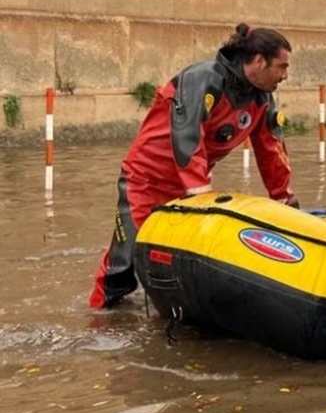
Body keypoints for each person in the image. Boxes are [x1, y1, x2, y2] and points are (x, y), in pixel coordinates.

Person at [89, 24, 296, 309]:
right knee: (122, 265)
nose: (285, 75)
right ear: (259, 61)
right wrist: (200, 195)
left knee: (177, 262)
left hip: (186, 189)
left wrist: (285, 200)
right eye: (282, 67)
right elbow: (187, 137)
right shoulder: (203, 79)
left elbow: (271, 150)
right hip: (146, 181)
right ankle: (98, 321)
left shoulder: (261, 100)